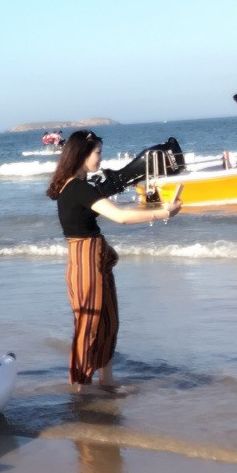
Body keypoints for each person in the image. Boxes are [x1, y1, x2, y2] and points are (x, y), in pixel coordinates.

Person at [47, 130, 183, 390]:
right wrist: (164, 212)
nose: (100, 158)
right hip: (86, 259)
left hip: (92, 257)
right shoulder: (77, 188)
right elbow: (120, 217)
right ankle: (81, 386)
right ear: (83, 154)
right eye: (97, 152)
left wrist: (157, 209)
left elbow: (117, 212)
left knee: (108, 320)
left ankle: (106, 381)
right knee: (91, 321)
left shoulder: (75, 186)